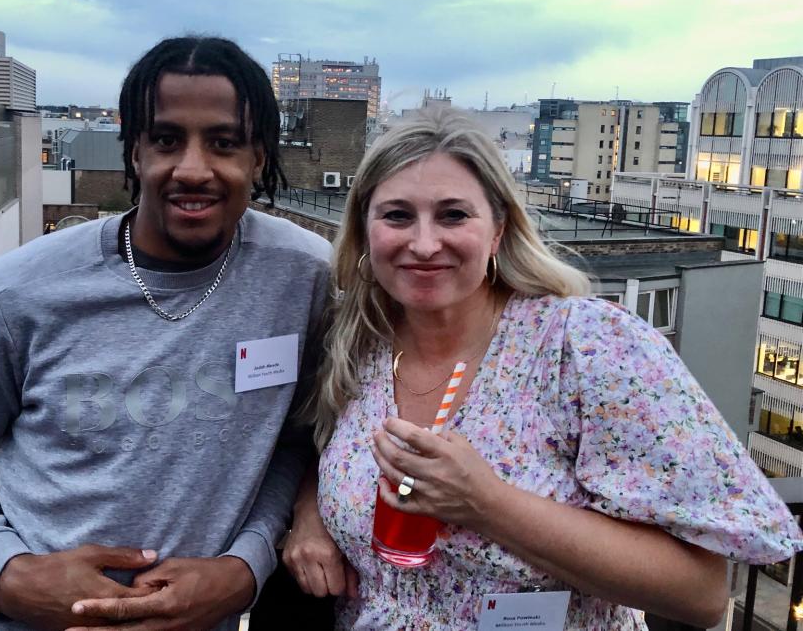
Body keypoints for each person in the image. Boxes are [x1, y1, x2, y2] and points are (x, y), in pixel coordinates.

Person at [283, 106, 803, 629]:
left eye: (453, 215)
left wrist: (486, 502)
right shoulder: (357, 341)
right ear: (365, 231)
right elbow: (324, 445)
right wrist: (310, 517)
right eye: (397, 215)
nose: (423, 243)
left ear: (498, 230)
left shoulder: (585, 345)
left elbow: (703, 593)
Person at [0, 36, 331, 631]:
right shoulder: (15, 292)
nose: (192, 168)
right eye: (165, 140)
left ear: (258, 157)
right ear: (134, 152)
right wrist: (9, 575)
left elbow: (294, 444)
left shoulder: (304, 278)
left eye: (224, 142)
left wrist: (244, 568)